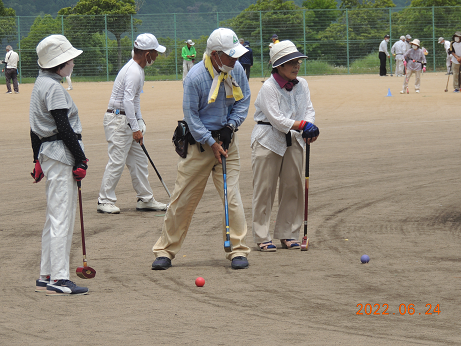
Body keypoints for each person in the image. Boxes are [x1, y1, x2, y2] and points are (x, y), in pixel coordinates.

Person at [151, 28, 251, 270]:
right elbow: (192, 117)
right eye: (230, 56)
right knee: (182, 200)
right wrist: (210, 142)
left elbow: (243, 100)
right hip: (200, 145)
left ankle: (238, 250)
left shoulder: (235, 69)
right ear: (215, 55)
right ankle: (165, 250)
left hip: (227, 143)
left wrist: (230, 127)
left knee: (232, 198)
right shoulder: (195, 77)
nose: (235, 60)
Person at [30, 35, 89, 295]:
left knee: (53, 217)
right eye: (70, 59)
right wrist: (80, 159)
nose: (73, 63)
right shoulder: (54, 88)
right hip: (61, 154)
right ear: (60, 64)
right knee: (61, 217)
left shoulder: (40, 83)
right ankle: (60, 278)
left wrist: (36, 158)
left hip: (49, 153)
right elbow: (64, 127)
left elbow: (34, 129)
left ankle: (46, 273)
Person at [251, 41, 319, 252]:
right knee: (265, 189)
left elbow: (308, 109)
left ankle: (288, 234)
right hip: (268, 140)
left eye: (297, 61)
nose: (296, 66)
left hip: (294, 140)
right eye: (291, 62)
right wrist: (303, 125)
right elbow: (277, 120)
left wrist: (309, 125)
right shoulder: (268, 88)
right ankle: (262, 236)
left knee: (293, 187)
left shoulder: (303, 84)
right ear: (278, 66)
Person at [97, 33, 168, 214]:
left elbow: (135, 101)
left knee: (139, 160)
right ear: (147, 54)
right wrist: (135, 128)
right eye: (155, 52)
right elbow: (128, 101)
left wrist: (139, 122)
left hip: (126, 120)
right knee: (117, 161)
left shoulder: (138, 70)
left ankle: (145, 199)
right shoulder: (134, 71)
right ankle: (104, 200)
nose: (157, 56)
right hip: (118, 121)